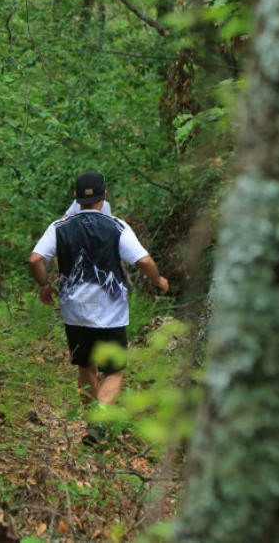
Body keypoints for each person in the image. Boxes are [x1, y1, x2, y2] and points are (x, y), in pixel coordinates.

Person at [28, 171, 168, 445]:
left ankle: (92, 423)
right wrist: (159, 280)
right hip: (111, 313)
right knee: (114, 371)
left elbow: (35, 260)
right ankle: (99, 421)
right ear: (106, 194)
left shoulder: (59, 226)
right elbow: (144, 261)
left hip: (74, 311)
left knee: (85, 368)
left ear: (76, 198)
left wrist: (45, 286)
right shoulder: (116, 227)